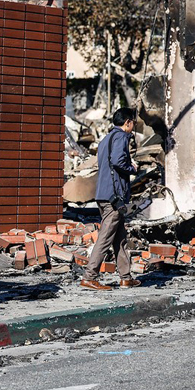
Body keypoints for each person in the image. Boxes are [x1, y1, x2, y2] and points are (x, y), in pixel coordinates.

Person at [81, 107, 141, 291]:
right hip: (115, 198)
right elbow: (117, 161)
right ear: (127, 122)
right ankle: (89, 277)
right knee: (106, 238)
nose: (133, 126)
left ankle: (125, 277)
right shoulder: (122, 137)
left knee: (120, 238)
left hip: (103, 195)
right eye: (133, 123)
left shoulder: (105, 139)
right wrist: (132, 167)